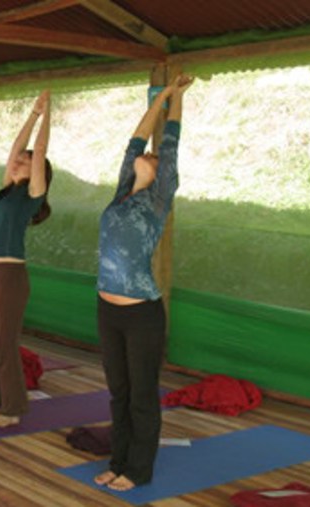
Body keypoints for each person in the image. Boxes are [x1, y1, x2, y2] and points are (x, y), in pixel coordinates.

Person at [93, 74, 194, 492]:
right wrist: (156, 101)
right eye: (145, 155)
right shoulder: (122, 193)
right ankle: (118, 460)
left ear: (159, 173)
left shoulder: (158, 199)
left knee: (140, 395)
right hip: (107, 307)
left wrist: (175, 100)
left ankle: (137, 469)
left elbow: (168, 143)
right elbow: (136, 140)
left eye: (153, 159)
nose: (147, 155)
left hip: (141, 314)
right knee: (118, 392)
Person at [0, 91, 53, 429]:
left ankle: (13, 408)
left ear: (38, 172)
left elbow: (40, 151)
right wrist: (31, 114)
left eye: (27, 160)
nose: (19, 160)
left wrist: (46, 117)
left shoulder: (32, 194)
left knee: (6, 343)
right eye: (20, 159)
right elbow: (14, 150)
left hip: (10, 275)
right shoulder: (5, 190)